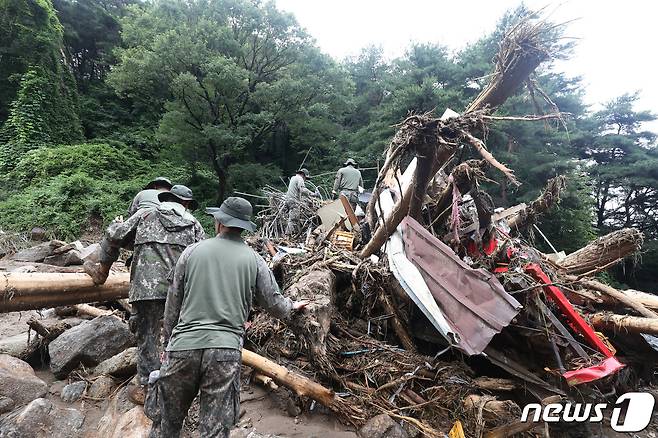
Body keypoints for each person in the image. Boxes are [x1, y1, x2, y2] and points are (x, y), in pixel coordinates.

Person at [150, 197, 307, 438]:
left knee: (166, 424)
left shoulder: (192, 252)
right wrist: (292, 306)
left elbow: (173, 303)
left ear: (219, 221)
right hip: (224, 352)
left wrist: (166, 344)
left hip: (183, 347)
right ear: (244, 226)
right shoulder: (255, 260)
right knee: (214, 430)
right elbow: (274, 303)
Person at [83, 185, 205, 403]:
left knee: (147, 336)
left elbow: (114, 235)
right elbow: (203, 257)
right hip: (180, 291)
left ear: (166, 199)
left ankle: (148, 388)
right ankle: (175, 383)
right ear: (186, 203)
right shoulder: (194, 223)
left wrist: (116, 227)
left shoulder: (145, 214)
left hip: (145, 289)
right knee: (175, 335)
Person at [284, 168, 315, 236]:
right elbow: (302, 189)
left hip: (288, 200)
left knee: (295, 218)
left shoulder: (293, 178)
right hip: (293, 201)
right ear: (303, 175)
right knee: (293, 219)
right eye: (305, 178)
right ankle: (287, 235)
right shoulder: (300, 179)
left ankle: (295, 234)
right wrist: (313, 194)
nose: (305, 180)